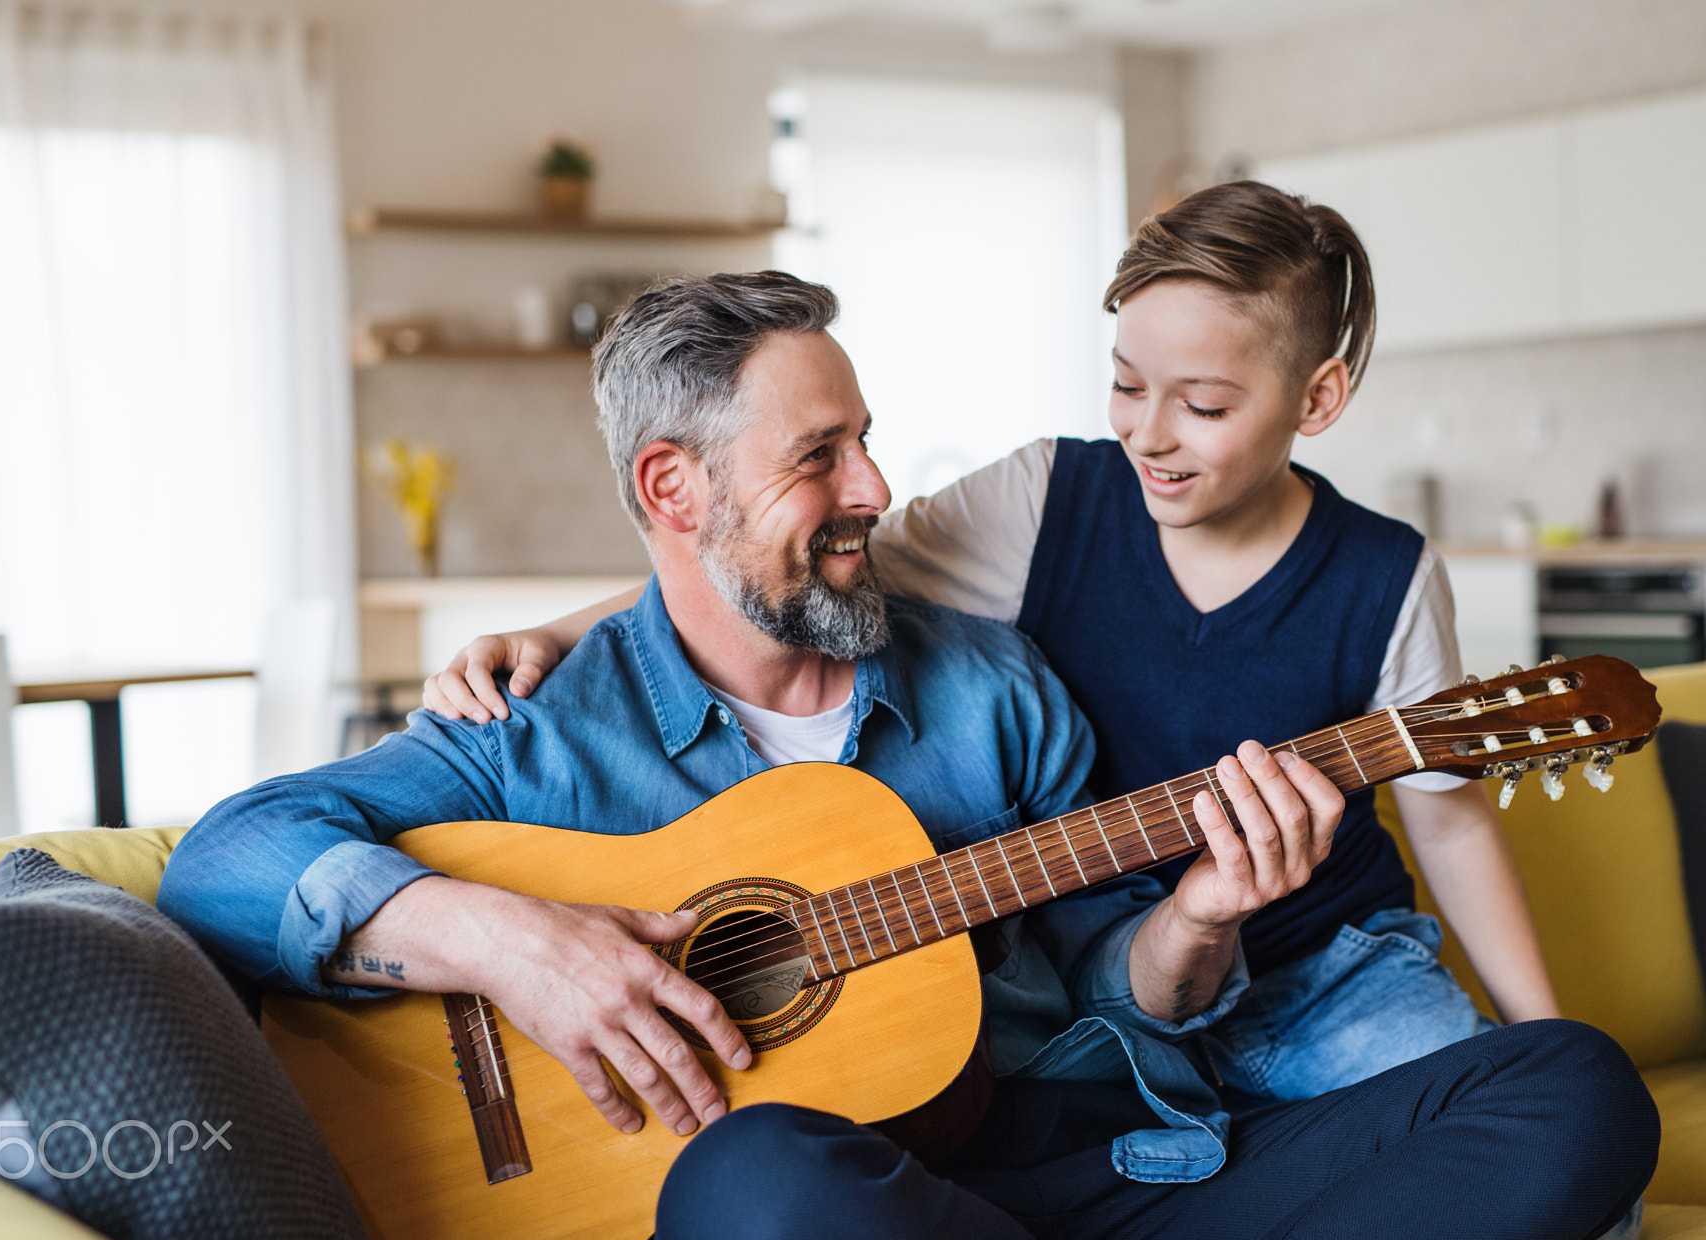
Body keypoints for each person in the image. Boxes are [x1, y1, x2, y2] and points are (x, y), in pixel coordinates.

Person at [161, 271, 1656, 1240]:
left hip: (1078, 1180)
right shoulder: (544, 728)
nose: (876, 485)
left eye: (868, 436)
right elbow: (224, 861)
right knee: (750, 1182)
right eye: (823, 455)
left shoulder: (993, 688)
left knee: (1574, 1091)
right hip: (836, 1226)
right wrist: (514, 942)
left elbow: (1116, 993)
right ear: (675, 492)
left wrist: (1200, 915)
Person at [424, 181, 1560, 1107]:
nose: (1149, 436)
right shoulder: (1042, 501)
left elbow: (1448, 823)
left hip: (1327, 971)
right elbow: (783, 558)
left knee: (1564, 1140)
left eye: (1203, 407)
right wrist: (560, 631)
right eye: (1124, 386)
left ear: (1317, 398)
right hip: (1097, 977)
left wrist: (1541, 1032)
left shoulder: (1389, 573)